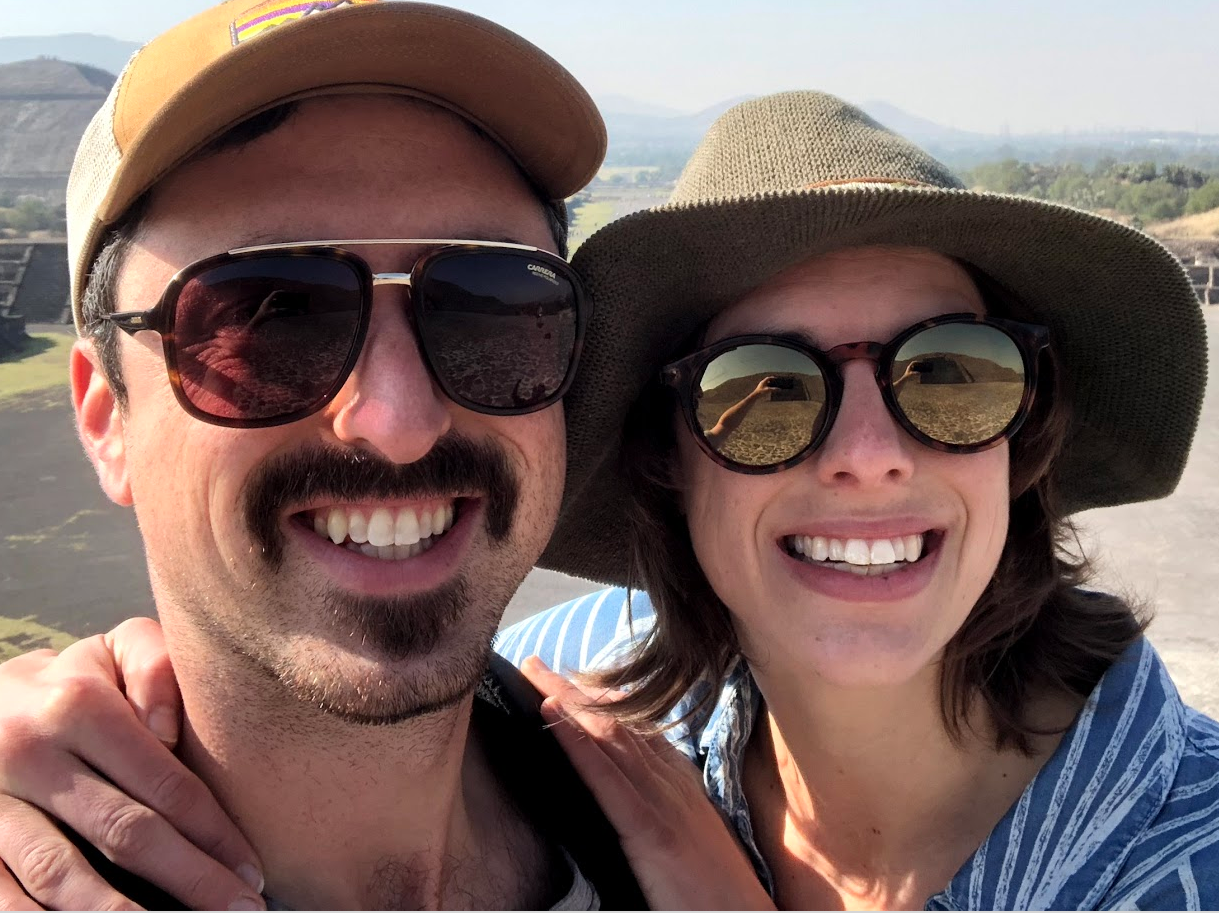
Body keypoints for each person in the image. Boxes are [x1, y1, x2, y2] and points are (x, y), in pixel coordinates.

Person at [3, 90, 1217, 908]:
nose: (866, 453)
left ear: (1020, 437)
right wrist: (88, 712)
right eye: (764, 392)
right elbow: (343, 658)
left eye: (951, 376)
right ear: (665, 456)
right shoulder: (581, 691)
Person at [0, 0, 666, 911]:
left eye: (494, 309)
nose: (397, 421)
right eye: (271, 318)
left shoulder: (660, 814)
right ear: (107, 418)